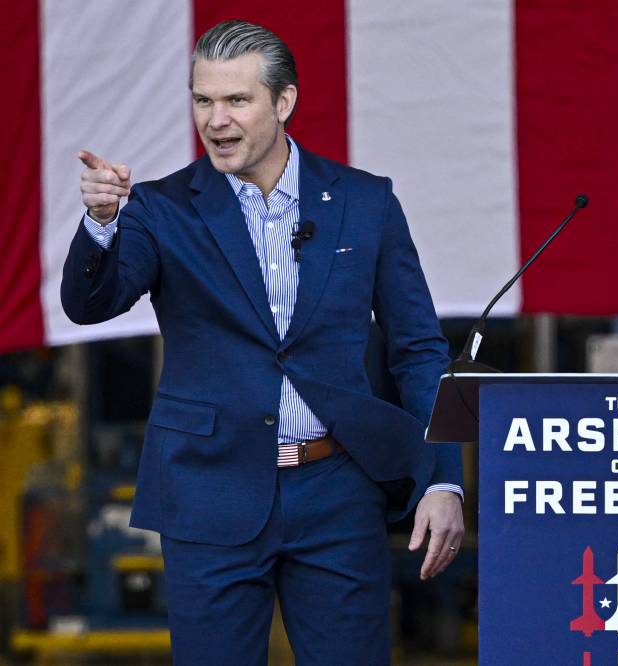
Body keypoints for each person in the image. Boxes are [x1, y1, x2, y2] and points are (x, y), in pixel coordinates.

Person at [61, 20, 463, 665]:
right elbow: (90, 304)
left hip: (338, 491)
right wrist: (102, 224)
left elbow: (418, 350)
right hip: (208, 492)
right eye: (203, 101)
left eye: (236, 101)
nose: (216, 120)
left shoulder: (366, 203)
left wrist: (444, 482)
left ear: (284, 102)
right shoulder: (161, 209)